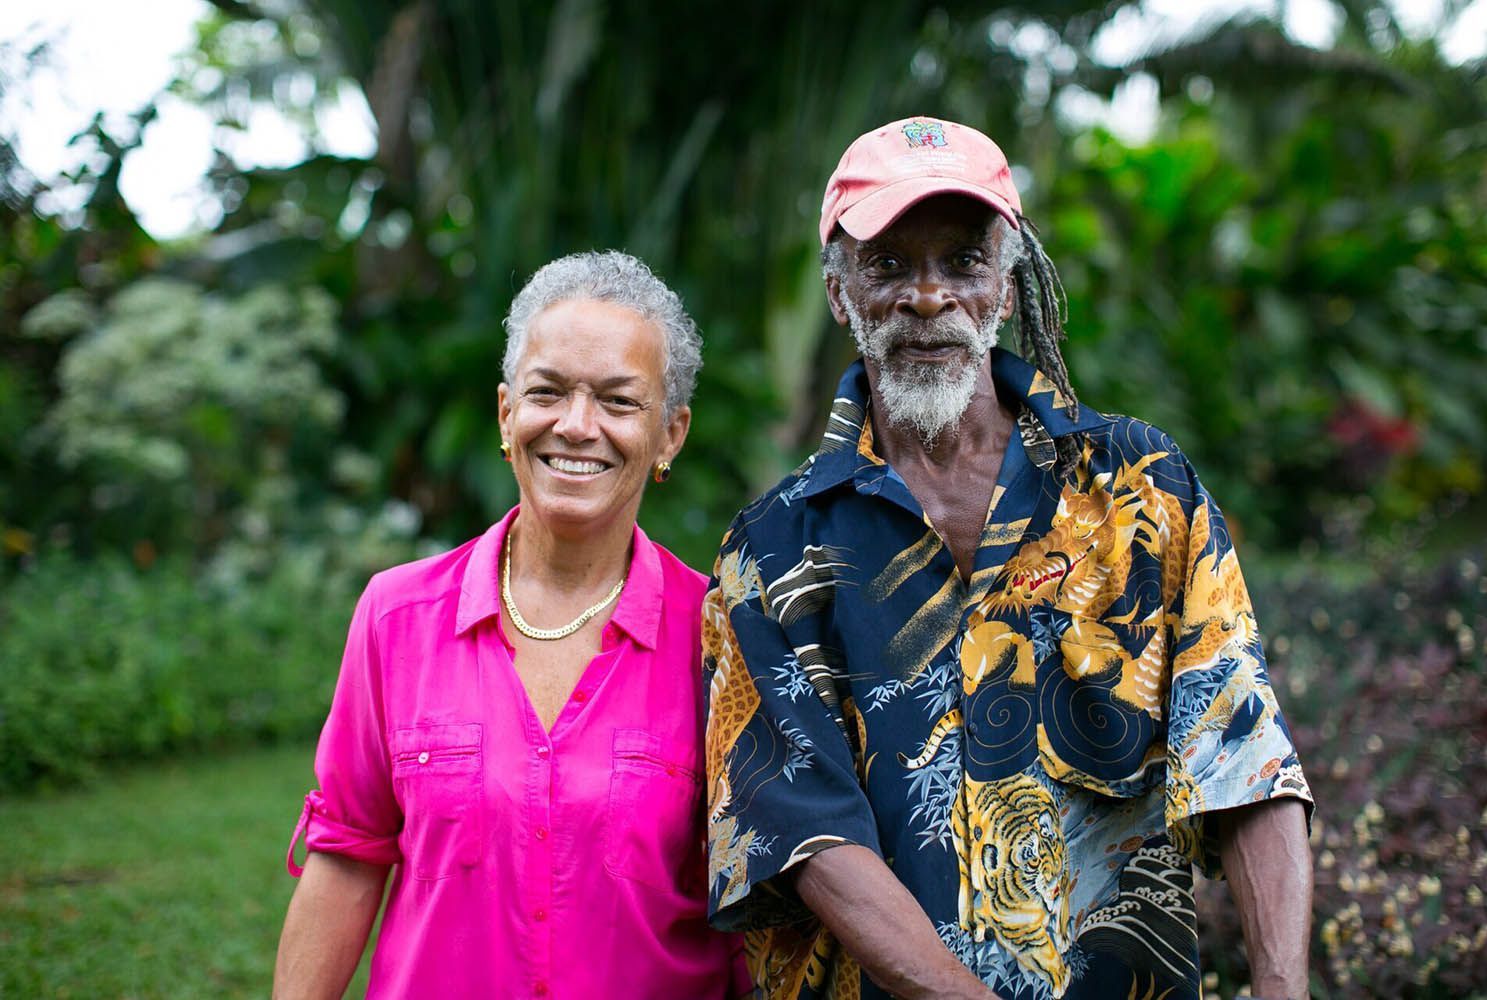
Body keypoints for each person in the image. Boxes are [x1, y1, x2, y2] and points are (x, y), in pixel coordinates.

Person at [703, 118, 1315, 1000]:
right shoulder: (773, 548)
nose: (927, 297)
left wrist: (1284, 988)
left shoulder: (1139, 487)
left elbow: (1243, 756)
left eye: (961, 261)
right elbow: (807, 837)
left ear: (1005, 282)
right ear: (839, 294)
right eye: (887, 266)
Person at [274, 251, 747, 998]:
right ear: (506, 413)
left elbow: (750, 910)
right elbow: (348, 854)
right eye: (547, 392)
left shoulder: (722, 637)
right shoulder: (396, 616)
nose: (577, 425)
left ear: (671, 434)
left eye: (620, 402)